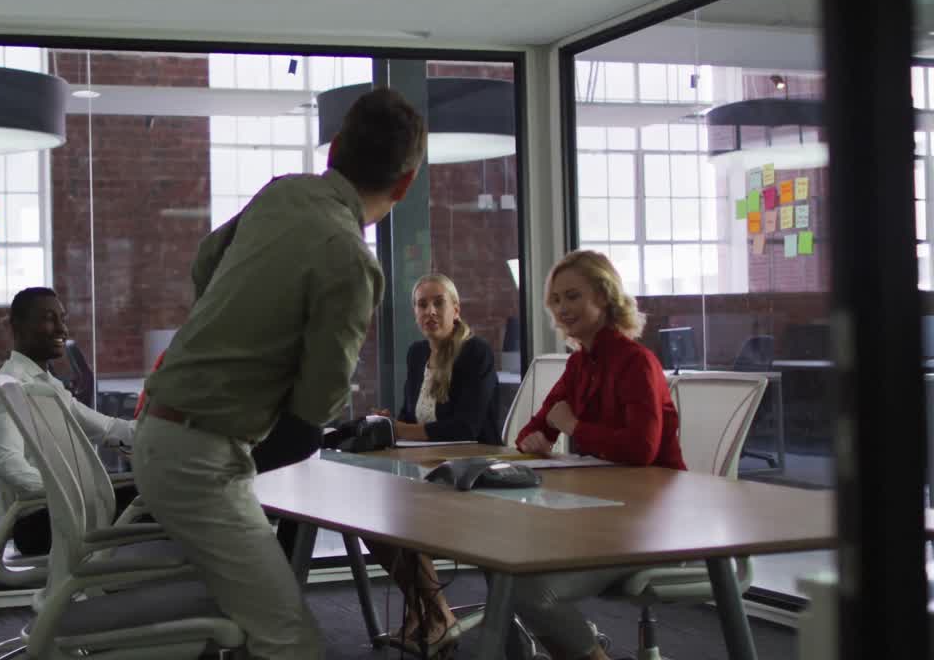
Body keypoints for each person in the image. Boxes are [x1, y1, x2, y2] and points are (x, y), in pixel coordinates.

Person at [133, 87, 427, 660]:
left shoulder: (282, 192)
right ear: (406, 184)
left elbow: (205, 261)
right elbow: (316, 406)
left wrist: (243, 326)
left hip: (163, 430)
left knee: (255, 621)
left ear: (334, 148)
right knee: (291, 640)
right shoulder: (353, 260)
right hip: (199, 460)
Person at [511, 249, 685, 660]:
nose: (562, 308)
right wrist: (535, 439)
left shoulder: (637, 362)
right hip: (601, 516)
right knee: (505, 562)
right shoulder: (580, 365)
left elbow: (640, 450)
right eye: (556, 300)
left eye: (573, 296)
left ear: (604, 297)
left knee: (528, 589)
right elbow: (533, 430)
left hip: (649, 525)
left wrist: (573, 427)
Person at [363, 273, 499, 656]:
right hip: (427, 469)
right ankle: (429, 609)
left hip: (471, 475)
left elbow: (466, 427)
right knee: (371, 519)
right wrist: (390, 422)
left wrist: (402, 428)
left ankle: (435, 615)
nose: (430, 311)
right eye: (422, 304)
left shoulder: (475, 353)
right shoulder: (416, 354)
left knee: (402, 517)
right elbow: (411, 417)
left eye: (439, 302)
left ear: (456, 309)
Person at [0, 286, 136, 556]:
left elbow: (107, 429)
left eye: (62, 319)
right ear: (17, 327)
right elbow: (8, 464)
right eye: (48, 319)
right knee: (168, 498)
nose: (62, 329)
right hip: (42, 522)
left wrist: (163, 433)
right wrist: (73, 493)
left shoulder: (46, 384)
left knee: (161, 491)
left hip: (64, 511)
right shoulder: (9, 385)